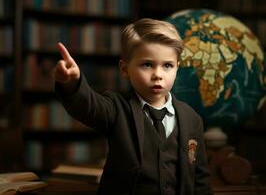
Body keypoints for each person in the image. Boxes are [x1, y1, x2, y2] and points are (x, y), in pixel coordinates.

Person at [53, 18, 213, 195]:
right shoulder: (116, 109)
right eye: (147, 65)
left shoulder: (192, 119)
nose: (158, 75)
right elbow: (88, 106)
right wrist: (73, 83)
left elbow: (200, 179)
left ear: (177, 68)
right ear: (124, 69)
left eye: (167, 65)